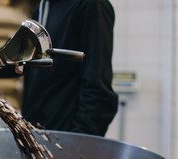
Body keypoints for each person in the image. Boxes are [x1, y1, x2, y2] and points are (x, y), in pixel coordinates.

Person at [21, 0, 118, 137]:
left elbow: (98, 91)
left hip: (65, 139)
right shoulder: (43, 7)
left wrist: (77, 143)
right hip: (36, 137)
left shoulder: (92, 5)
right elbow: (25, 62)